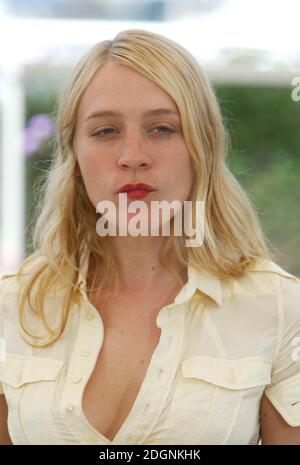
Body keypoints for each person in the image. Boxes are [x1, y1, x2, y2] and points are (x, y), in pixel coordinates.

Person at [0, 28, 300, 445]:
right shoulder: (13, 305)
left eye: (161, 128)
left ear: (203, 146)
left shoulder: (280, 308)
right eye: (105, 131)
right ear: (74, 155)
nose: (133, 156)